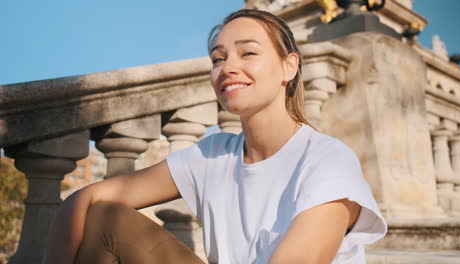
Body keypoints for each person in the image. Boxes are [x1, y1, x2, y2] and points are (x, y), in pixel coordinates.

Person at [43, 8, 386, 264]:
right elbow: (85, 199)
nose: (228, 68)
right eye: (218, 58)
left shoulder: (327, 162)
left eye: (248, 52)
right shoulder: (212, 154)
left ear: (289, 66)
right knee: (105, 218)